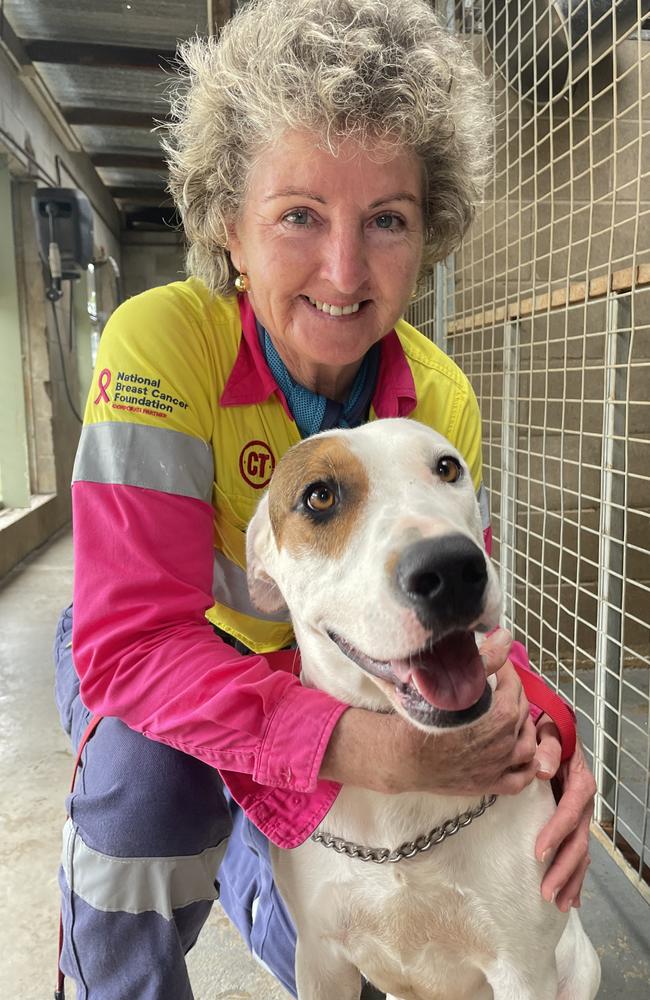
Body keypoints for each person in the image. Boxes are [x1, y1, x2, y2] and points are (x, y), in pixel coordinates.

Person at [54, 1, 596, 997]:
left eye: (384, 219)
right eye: (298, 214)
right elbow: (128, 644)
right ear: (230, 222)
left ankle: (269, 884)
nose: (344, 274)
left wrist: (551, 735)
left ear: (426, 231)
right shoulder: (160, 344)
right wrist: (361, 750)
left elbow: (457, 610)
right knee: (147, 786)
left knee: (332, 923)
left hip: (335, 664)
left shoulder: (438, 397)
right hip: (167, 650)